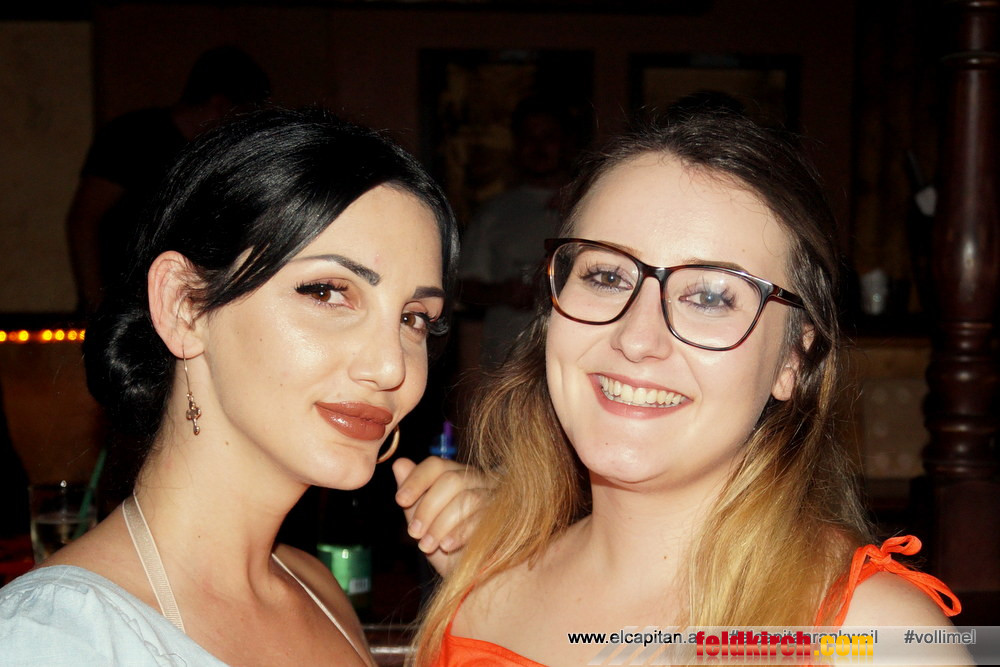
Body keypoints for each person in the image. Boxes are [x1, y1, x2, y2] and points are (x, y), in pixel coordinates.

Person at [414, 108, 963, 666]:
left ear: (792, 360)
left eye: (710, 296)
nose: (637, 338)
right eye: (607, 276)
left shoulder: (877, 637)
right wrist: (492, 558)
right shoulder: (483, 585)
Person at [0, 107, 485, 665]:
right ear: (183, 305)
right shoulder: (55, 636)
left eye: (414, 318)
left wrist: (493, 597)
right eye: (328, 292)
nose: (391, 367)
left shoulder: (318, 590)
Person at [66, 45, 271, 314]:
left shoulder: (218, 158)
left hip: (184, 305)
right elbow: (85, 219)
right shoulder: (130, 136)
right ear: (221, 105)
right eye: (244, 115)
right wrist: (95, 303)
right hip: (126, 306)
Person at [458, 96, 577, 367]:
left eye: (548, 137)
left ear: (567, 142)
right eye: (528, 137)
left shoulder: (588, 205)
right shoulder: (495, 211)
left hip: (574, 358)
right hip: (507, 360)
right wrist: (502, 293)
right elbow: (464, 287)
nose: (538, 147)